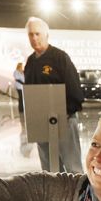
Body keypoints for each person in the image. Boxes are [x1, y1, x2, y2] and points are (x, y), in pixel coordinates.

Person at [23, 16, 85, 172]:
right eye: (31, 34)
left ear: (46, 35)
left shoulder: (60, 58)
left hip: (64, 119)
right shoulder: (30, 62)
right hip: (41, 121)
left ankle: (79, 195)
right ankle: (55, 195)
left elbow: (74, 89)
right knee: (49, 167)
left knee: (72, 166)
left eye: (37, 33)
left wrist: (66, 112)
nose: (34, 38)